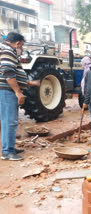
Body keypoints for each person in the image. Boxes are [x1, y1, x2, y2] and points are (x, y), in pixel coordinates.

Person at [0, 32, 40, 161]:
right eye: (21, 46)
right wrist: (18, 92)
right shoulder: (8, 52)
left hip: (8, 91)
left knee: (10, 121)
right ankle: (7, 151)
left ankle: (10, 147)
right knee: (9, 121)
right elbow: (8, 73)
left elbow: (15, 73)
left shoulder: (8, 52)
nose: (21, 49)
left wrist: (29, 82)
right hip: (8, 92)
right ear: (17, 43)